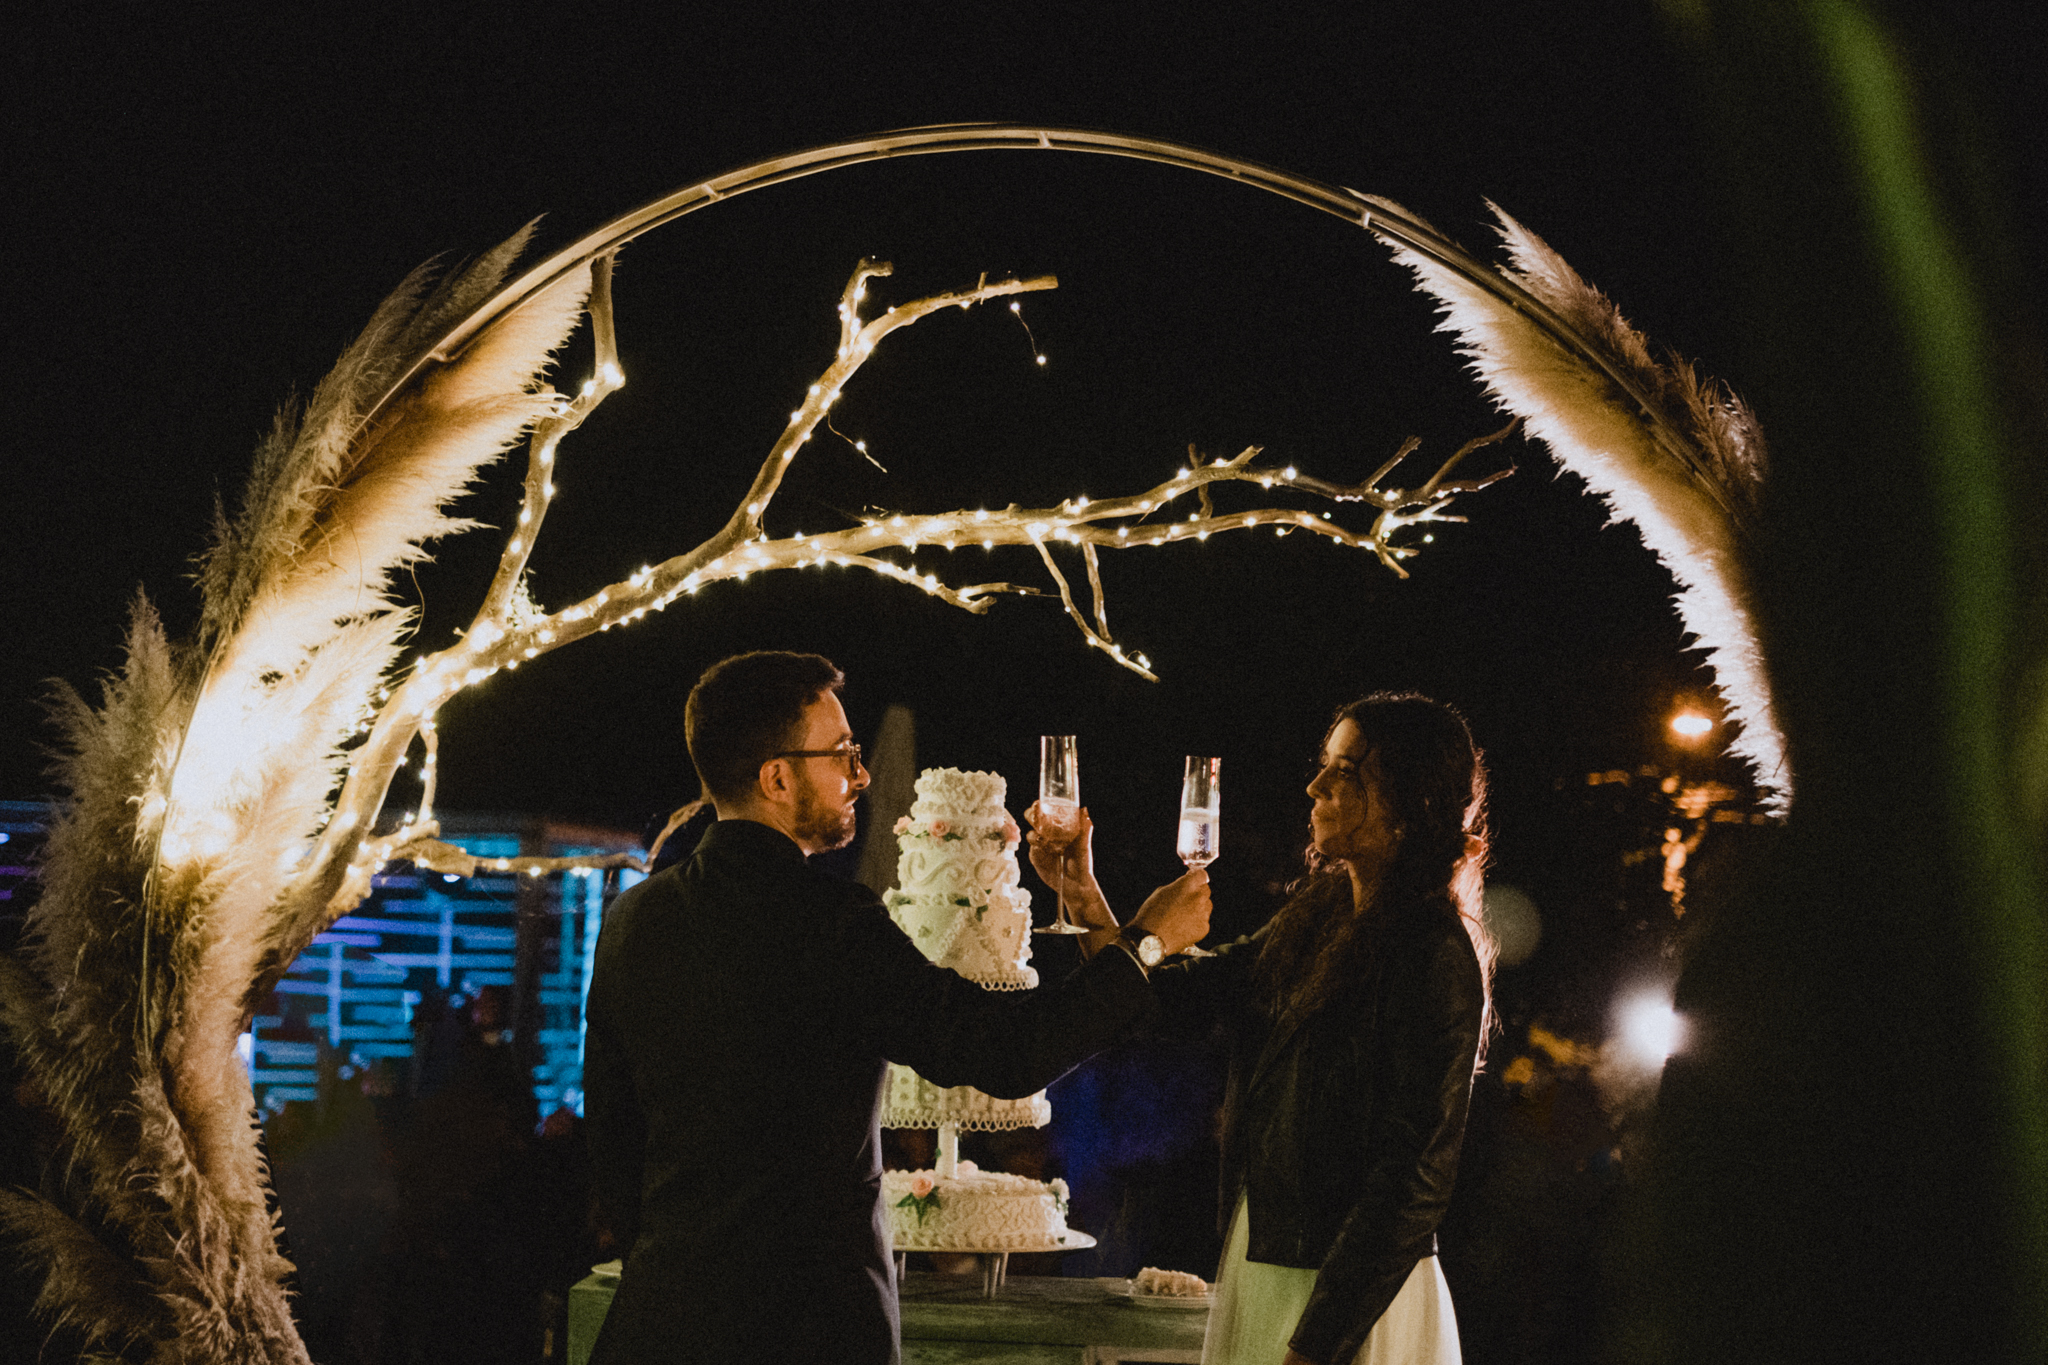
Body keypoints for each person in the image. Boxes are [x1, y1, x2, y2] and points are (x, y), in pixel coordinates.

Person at [582, 651, 1211, 1364]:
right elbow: (1006, 1053)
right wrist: (1145, 943)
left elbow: (612, 1143)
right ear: (777, 778)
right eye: (840, 754)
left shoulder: (632, 919)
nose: (860, 775)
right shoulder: (831, 924)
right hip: (810, 1333)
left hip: (659, 1322)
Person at [1029, 693, 1492, 1365]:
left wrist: (1317, 1347)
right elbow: (1173, 1001)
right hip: (1267, 1266)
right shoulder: (1321, 916)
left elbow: (1412, 1185)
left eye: (1345, 771)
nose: (1315, 785)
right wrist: (1081, 893)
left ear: (1408, 802)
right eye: (1323, 765)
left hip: (1351, 1307)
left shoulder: (1433, 954)